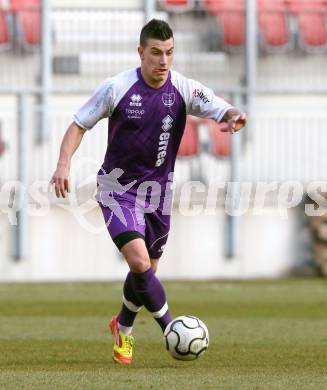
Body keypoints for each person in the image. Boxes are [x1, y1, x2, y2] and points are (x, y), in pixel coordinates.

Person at [50, 19, 247, 365]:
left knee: (147, 273)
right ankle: (172, 329)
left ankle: (122, 327)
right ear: (140, 52)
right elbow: (79, 124)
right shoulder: (117, 88)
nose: (163, 61)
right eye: (156, 53)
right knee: (140, 263)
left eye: (169, 53)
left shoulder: (182, 88)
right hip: (117, 189)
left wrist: (233, 114)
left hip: (158, 193)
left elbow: (218, 105)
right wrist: (64, 164)